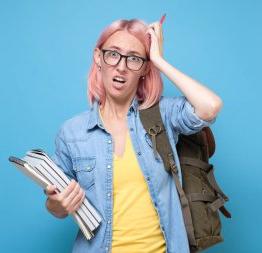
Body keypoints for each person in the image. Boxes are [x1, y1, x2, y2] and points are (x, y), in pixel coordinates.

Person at [44, 18, 222, 253]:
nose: (121, 66)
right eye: (113, 54)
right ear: (99, 57)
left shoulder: (163, 116)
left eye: (134, 58)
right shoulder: (72, 132)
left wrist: (158, 60)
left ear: (145, 69)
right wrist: (57, 204)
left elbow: (210, 106)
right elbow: (56, 208)